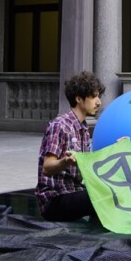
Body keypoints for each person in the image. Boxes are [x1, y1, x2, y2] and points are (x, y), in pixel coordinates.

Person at [36, 71, 105, 221]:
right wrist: (64, 162)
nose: (99, 102)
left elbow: (90, 163)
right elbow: (47, 168)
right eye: (93, 97)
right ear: (79, 98)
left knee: (107, 191)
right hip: (54, 200)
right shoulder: (60, 126)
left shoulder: (83, 129)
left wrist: (117, 148)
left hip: (74, 191)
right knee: (99, 197)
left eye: (98, 96)